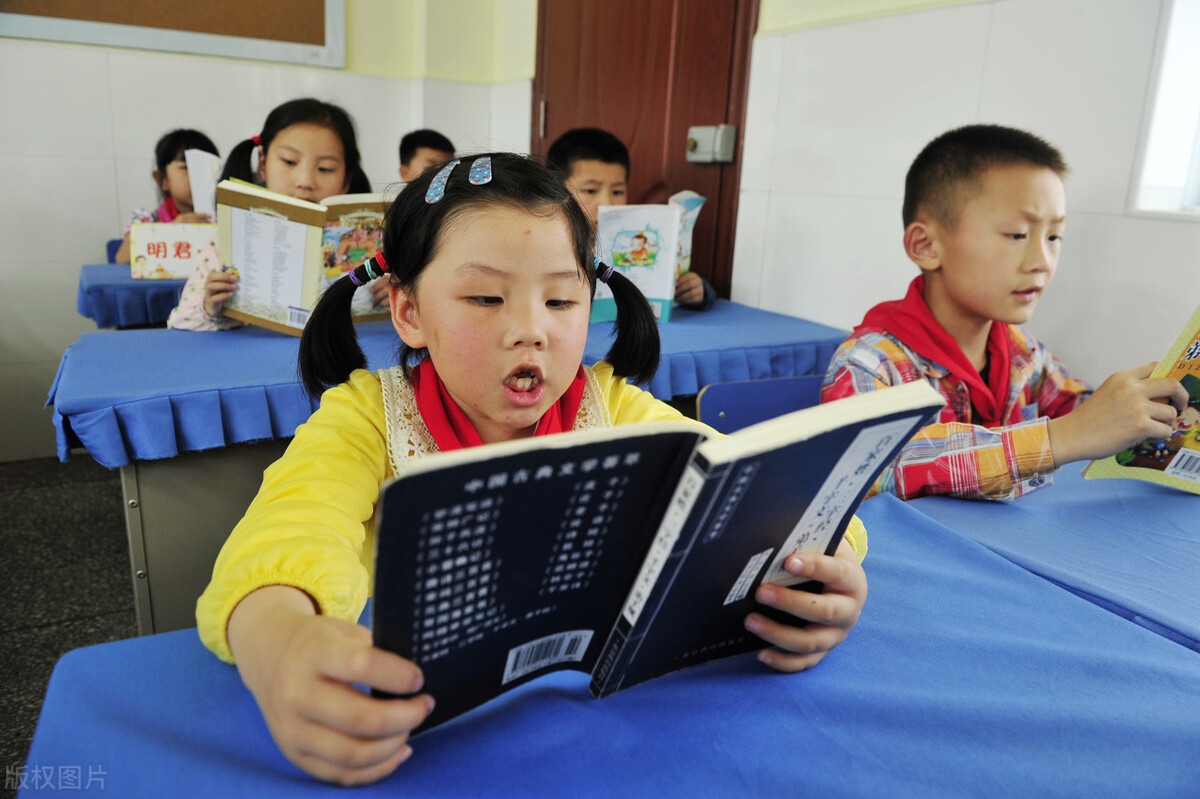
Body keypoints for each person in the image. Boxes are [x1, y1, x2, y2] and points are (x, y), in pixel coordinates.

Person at [195, 153, 868, 786]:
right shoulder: (368, 420)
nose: (531, 330)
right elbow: (287, 534)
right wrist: (278, 640)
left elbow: (762, 483)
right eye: (486, 300)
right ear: (408, 311)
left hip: (612, 747)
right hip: (429, 745)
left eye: (561, 301)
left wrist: (821, 567)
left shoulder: (618, 410)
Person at [821, 124, 1188, 501]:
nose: (1042, 261)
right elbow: (868, 474)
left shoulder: (1026, 357)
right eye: (1016, 235)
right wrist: (1062, 436)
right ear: (926, 245)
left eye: (1053, 237)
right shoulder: (868, 364)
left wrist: (1148, 411)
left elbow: (1088, 414)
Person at [167, 98, 382, 330]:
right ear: (262, 164)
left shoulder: (374, 245)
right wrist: (211, 307)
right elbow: (180, 322)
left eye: (325, 169)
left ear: (346, 179)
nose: (305, 181)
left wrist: (395, 299)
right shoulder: (226, 245)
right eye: (289, 161)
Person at [546, 127, 715, 310]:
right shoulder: (544, 244)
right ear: (557, 191)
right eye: (590, 190)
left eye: (617, 191)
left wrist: (698, 290)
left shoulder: (632, 240)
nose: (607, 203)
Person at [114, 129, 220, 264]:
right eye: (187, 167)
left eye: (207, 168)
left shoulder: (227, 220)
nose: (199, 177)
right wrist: (172, 231)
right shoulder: (146, 220)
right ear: (162, 179)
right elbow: (121, 260)